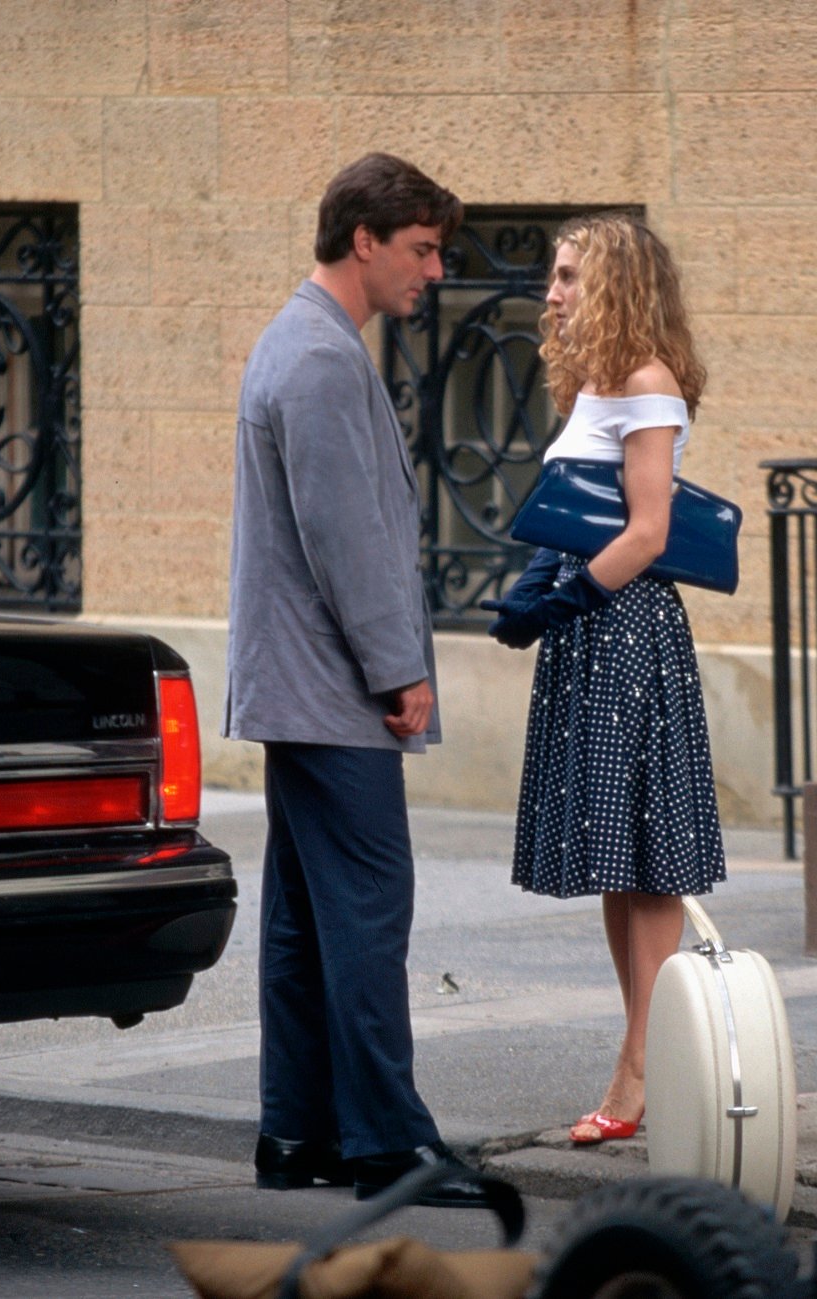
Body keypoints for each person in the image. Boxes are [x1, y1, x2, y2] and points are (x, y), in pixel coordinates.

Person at [225, 153, 487, 1207]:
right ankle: (386, 1144)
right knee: (369, 913)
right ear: (364, 239)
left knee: (306, 920)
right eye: (421, 249)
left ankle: (297, 1135)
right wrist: (399, 667)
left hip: (299, 689)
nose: (432, 272)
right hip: (334, 691)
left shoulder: (297, 340)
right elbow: (346, 539)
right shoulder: (324, 359)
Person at [481, 212, 727, 1146]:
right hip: (592, 628)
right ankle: (646, 1058)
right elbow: (586, 516)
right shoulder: (595, 384)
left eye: (569, 274)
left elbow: (651, 531)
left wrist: (565, 597)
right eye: (556, 274)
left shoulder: (647, 384)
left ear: (617, 281)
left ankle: (642, 1066)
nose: (552, 290)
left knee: (649, 855)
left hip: (625, 628)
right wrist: (543, 588)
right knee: (618, 855)